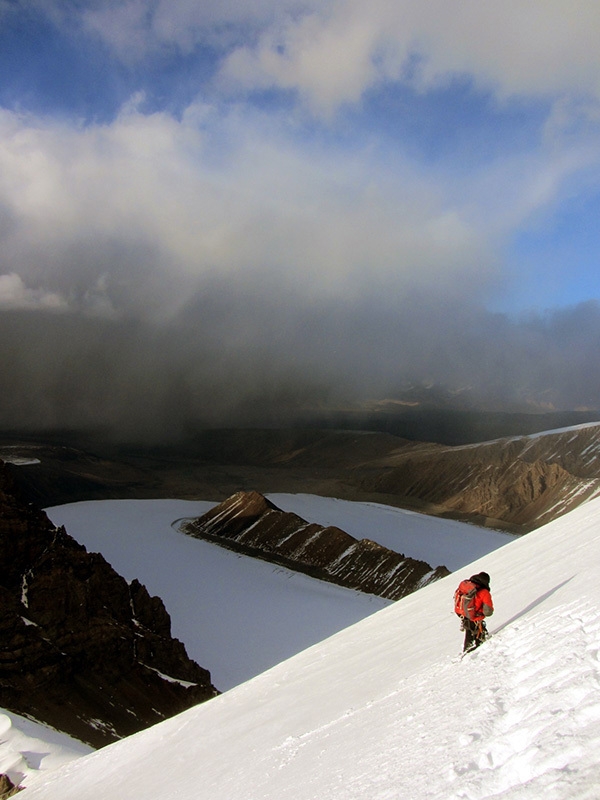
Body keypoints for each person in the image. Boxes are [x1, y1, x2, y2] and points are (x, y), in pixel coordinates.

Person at [454, 571, 494, 652]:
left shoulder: (467, 587)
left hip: (462, 613)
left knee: (469, 630)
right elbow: (488, 611)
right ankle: (479, 648)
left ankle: (467, 649)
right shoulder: (484, 592)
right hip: (473, 616)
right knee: (478, 631)